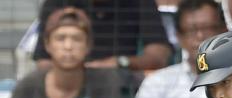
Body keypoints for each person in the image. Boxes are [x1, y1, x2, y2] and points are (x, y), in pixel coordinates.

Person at [0, 7, 120, 98]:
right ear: (47, 44)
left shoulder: (104, 79)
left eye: (77, 39)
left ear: (88, 45)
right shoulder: (29, 84)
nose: (68, 46)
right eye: (60, 38)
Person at [127, 0, 231, 98]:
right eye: (191, 30)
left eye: (207, 28)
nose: (200, 36)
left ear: (224, 31)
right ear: (179, 36)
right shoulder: (157, 82)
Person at [33, 0, 172, 73]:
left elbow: (159, 56)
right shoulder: (57, 3)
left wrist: (120, 62)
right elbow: (43, 62)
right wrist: (77, 71)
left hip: (120, 79)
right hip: (68, 80)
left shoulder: (139, 2)